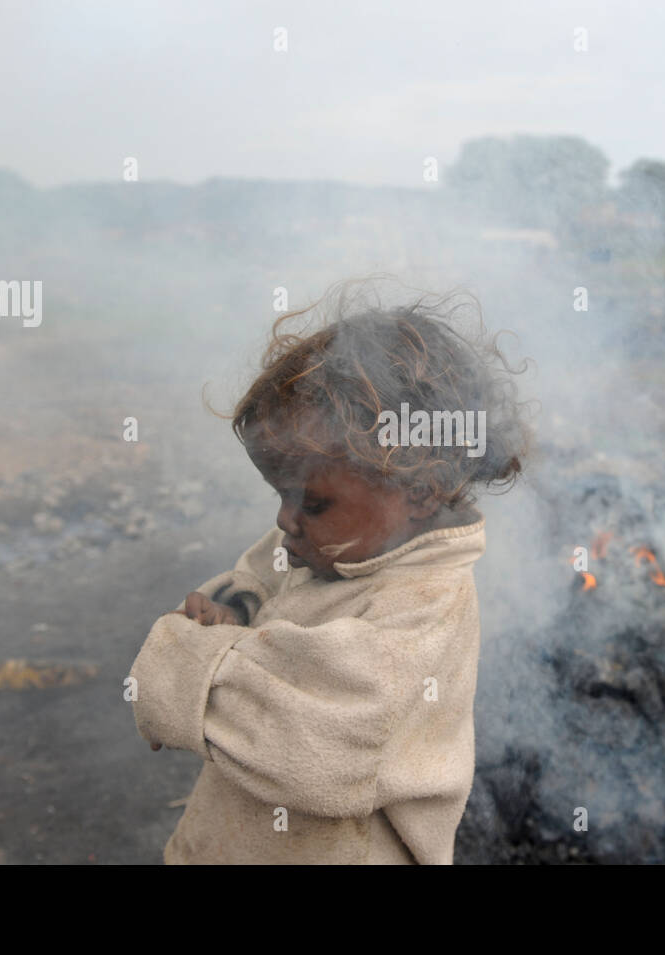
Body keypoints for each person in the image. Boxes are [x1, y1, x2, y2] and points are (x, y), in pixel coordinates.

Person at [129, 281, 531, 863]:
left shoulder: (420, 614)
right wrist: (233, 611)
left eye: (312, 503)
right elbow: (260, 579)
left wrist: (183, 663)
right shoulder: (333, 544)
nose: (286, 520)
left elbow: (308, 749)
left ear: (420, 489)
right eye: (280, 494)